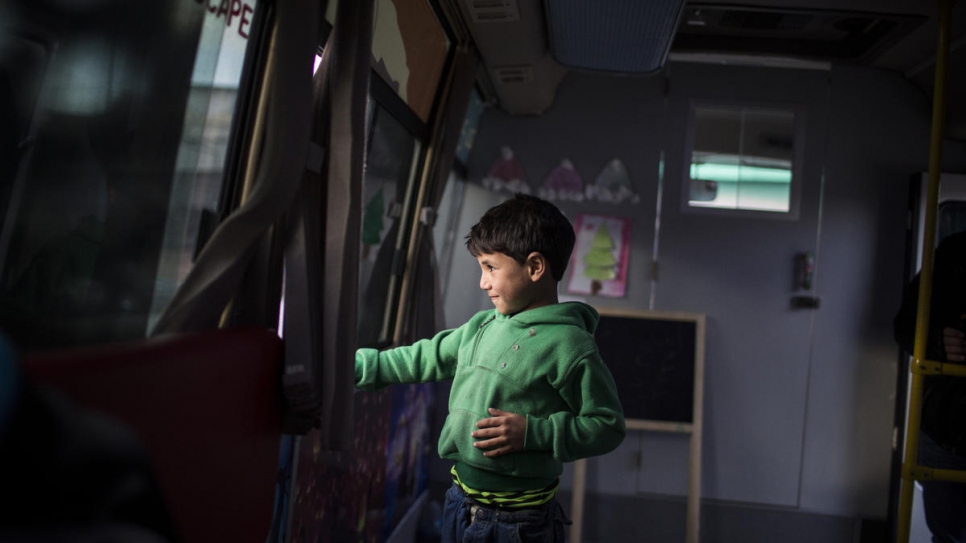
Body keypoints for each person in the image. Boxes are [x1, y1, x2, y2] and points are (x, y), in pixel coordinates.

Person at [355, 193, 626, 542]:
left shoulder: (570, 346)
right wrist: (357, 366)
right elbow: (424, 357)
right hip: (458, 502)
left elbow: (607, 426)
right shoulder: (481, 325)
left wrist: (534, 433)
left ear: (535, 267)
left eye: (491, 268)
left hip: (520, 522)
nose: (484, 282)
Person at [894, 230, 966, 543]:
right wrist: (938, 342)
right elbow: (905, 327)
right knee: (948, 534)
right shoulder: (954, 256)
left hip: (943, 425)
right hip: (946, 428)